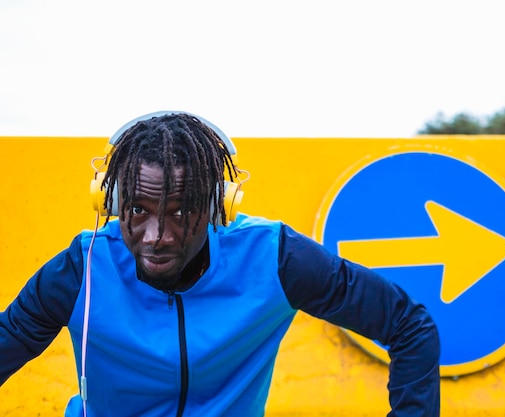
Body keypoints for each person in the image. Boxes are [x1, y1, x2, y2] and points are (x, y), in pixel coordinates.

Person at [0, 111, 440, 416]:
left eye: (180, 211)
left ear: (217, 208)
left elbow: (409, 326)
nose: (156, 236)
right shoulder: (84, 268)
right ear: (111, 202)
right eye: (138, 210)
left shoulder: (273, 257)